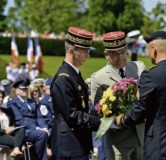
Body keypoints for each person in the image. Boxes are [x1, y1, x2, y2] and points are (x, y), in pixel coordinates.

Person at [115, 31, 166, 160]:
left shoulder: (150, 75)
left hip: (159, 144)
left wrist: (122, 119)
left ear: (154, 49)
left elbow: (139, 110)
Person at [91, 31, 146, 160]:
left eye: (122, 52)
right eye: (115, 54)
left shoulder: (140, 68)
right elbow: (98, 111)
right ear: (106, 55)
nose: (120, 57)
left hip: (141, 136)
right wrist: (120, 120)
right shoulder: (98, 78)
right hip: (117, 142)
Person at [50, 26, 101, 160]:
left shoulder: (73, 74)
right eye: (85, 52)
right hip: (69, 147)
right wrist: (98, 122)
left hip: (77, 143)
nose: (88, 56)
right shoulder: (63, 78)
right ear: (72, 50)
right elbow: (72, 114)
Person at [7, 78, 49, 160]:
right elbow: (20, 121)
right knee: (42, 134)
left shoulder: (31, 101)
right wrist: (37, 128)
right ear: (16, 90)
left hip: (34, 130)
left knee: (49, 132)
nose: (25, 90)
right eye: (22, 89)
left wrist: (45, 127)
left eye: (26, 88)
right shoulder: (12, 103)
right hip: (24, 131)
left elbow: (39, 116)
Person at [0, 89, 24, 159]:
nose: (0, 99)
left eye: (2, 97)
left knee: (21, 129)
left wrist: (12, 127)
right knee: (17, 142)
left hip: (10, 133)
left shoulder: (6, 110)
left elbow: (13, 122)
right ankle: (17, 149)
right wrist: (4, 130)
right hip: (1, 134)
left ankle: (16, 150)